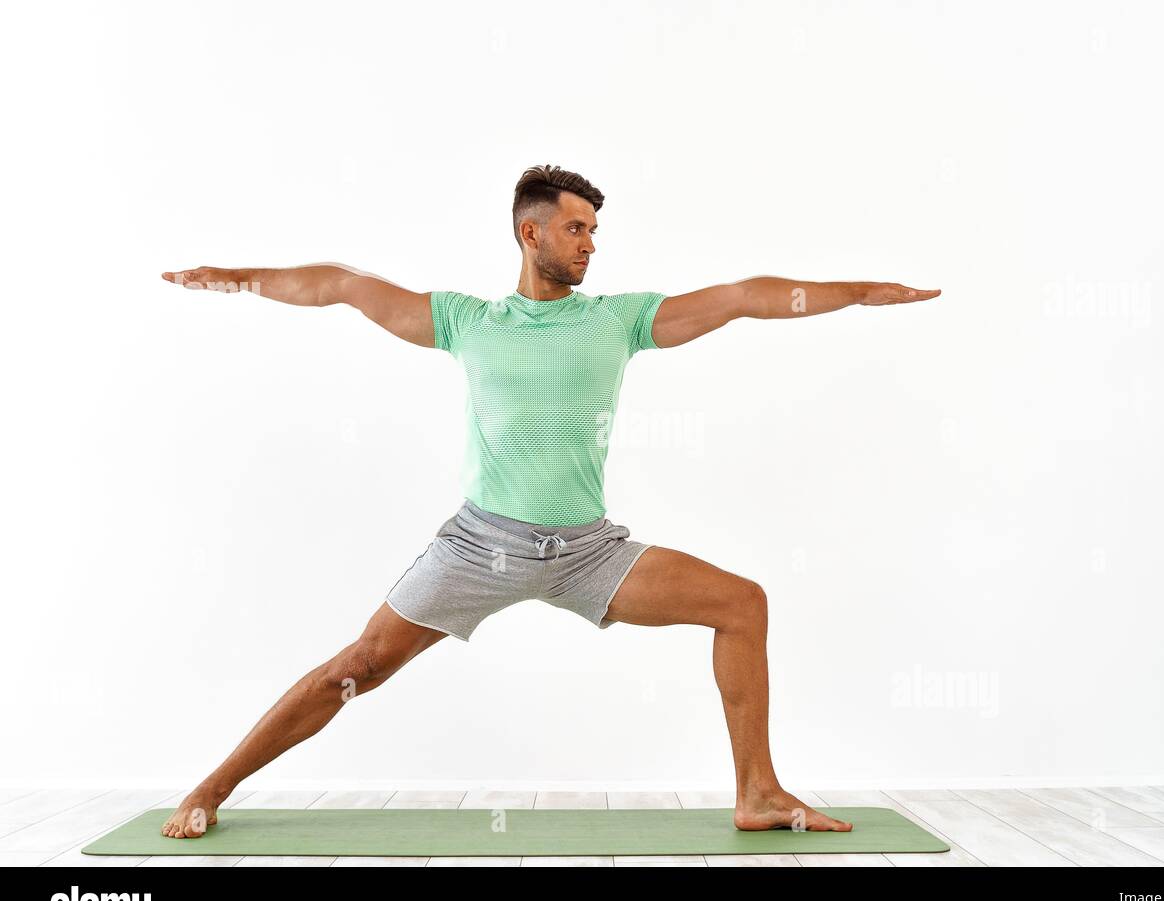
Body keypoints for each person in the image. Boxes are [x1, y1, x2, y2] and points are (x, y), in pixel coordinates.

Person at [157, 163, 940, 839]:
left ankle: (759, 793)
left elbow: (741, 296)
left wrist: (860, 291)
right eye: (575, 229)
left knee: (742, 604)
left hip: (588, 554)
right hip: (477, 547)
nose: (590, 244)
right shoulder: (467, 321)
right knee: (357, 667)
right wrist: (234, 278)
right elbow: (340, 286)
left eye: (594, 230)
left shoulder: (620, 320)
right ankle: (211, 788)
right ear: (530, 235)